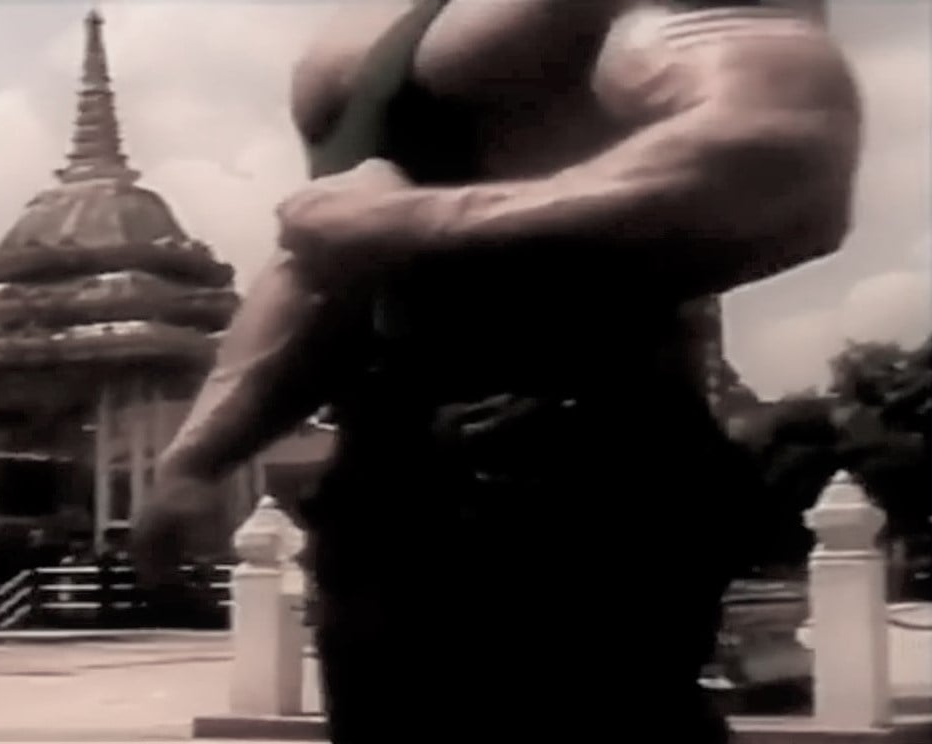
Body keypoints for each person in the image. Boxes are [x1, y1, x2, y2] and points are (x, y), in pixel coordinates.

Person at [132, 1, 860, 742]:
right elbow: (324, 254)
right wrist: (196, 459)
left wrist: (415, 222)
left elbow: (788, 153)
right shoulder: (365, 26)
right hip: (384, 480)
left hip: (570, 456)